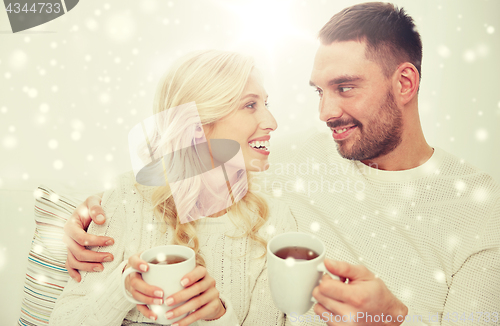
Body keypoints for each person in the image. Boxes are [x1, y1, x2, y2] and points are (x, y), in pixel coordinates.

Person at [64, 2, 500, 326]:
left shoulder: (481, 211)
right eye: (319, 91)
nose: (326, 112)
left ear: (405, 82)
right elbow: (187, 157)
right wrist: (88, 216)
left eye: (345, 88)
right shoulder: (291, 158)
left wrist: (392, 318)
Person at [50, 50, 297, 326]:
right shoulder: (126, 199)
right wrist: (123, 288)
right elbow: (64, 320)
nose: (272, 122)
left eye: (265, 103)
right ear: (196, 128)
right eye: (250, 105)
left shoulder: (274, 221)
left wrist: (218, 316)